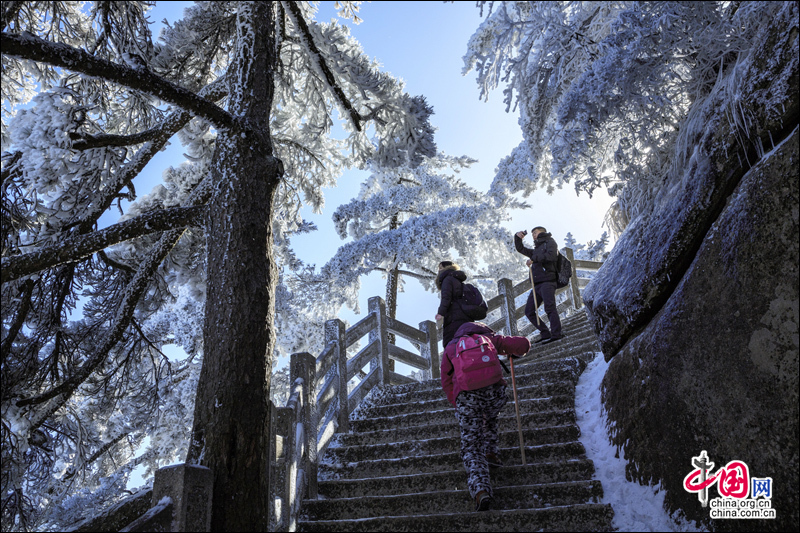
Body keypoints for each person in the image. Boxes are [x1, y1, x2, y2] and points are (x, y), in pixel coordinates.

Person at [440, 321, 531, 511]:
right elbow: (524, 345)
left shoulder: (451, 347)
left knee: (471, 445)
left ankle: (481, 489)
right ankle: (491, 452)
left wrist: (457, 403)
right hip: (493, 392)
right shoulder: (488, 338)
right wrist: (508, 349)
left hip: (467, 396)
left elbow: (446, 382)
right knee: (489, 416)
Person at [514, 226, 563, 344]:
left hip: (548, 281)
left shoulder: (550, 242)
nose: (533, 235)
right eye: (532, 234)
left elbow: (551, 256)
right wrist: (517, 238)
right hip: (537, 284)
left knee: (549, 307)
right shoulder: (536, 250)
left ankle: (557, 334)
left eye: (535, 233)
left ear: (542, 232)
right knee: (529, 311)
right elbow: (521, 249)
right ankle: (545, 333)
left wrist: (534, 259)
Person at [434, 261, 472, 349]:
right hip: (464, 316)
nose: (439, 270)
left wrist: (440, 314)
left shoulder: (447, 279)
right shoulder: (457, 279)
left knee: (452, 345)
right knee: (465, 343)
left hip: (453, 317)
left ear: (447, 268)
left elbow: (446, 298)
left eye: (441, 268)